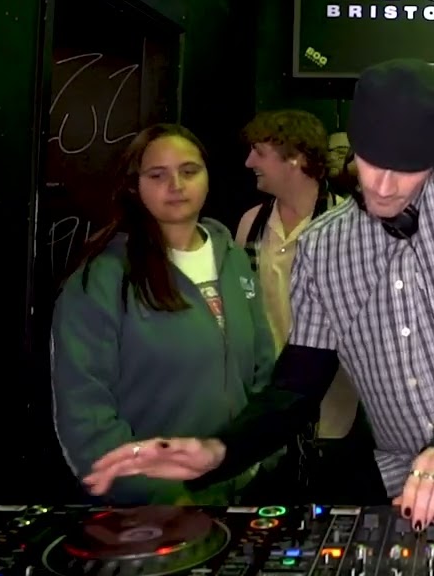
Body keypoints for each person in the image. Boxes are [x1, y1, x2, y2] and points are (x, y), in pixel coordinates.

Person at [83, 59, 434, 524]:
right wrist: (221, 451)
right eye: (372, 162)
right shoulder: (322, 246)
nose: (384, 187)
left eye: (407, 169)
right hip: (409, 487)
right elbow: (298, 386)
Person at [50, 124, 276, 505]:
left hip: (239, 497)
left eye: (189, 171)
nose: (176, 185)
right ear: (134, 186)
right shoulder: (102, 279)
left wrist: (258, 460)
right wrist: (165, 497)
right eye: (157, 175)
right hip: (150, 510)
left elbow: (264, 369)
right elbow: (84, 414)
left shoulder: (234, 259)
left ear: (207, 177)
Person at [235, 110, 380, 503]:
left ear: (294, 158)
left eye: (259, 152)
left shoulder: (349, 225)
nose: (249, 162)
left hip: (336, 413)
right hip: (267, 405)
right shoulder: (251, 223)